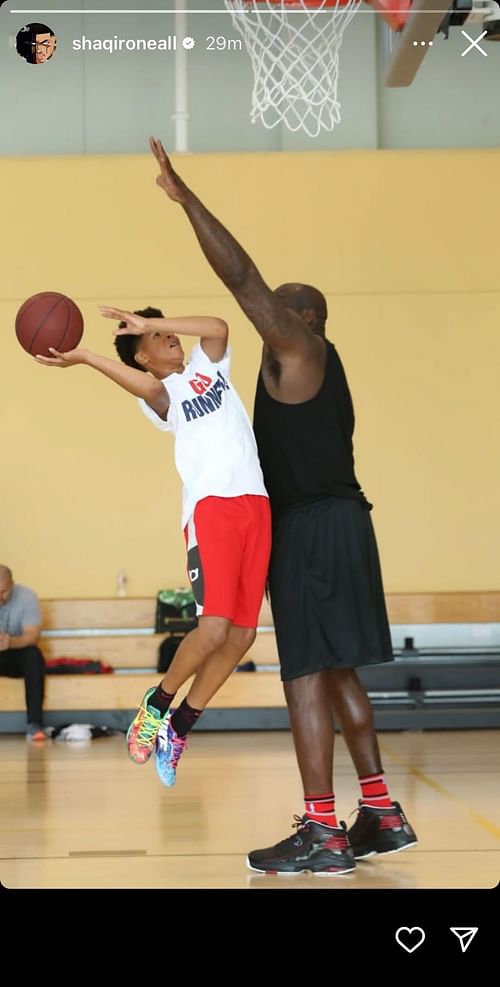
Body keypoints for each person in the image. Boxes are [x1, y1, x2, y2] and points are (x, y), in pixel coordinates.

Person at [147, 137, 418, 875]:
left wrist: (186, 199)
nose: (269, 326)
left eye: (280, 314)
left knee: (303, 675)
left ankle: (323, 830)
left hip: (310, 532)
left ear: (300, 319)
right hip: (346, 525)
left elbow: (242, 280)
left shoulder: (297, 347)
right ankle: (381, 813)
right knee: (339, 674)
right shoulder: (323, 376)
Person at [35, 307, 271, 788]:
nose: (169, 337)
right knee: (213, 630)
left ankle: (179, 727)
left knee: (243, 636)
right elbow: (146, 387)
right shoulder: (161, 395)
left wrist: (152, 325)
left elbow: (220, 327)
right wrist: (84, 356)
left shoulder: (209, 368)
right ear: (141, 357)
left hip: (257, 505)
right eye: (156, 336)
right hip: (212, 509)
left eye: (167, 331)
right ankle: (157, 703)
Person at [0, 565, 46, 740]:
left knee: (34, 656)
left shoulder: (27, 597)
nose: (0, 597)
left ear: (12, 584)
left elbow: (32, 636)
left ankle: (35, 724)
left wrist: (11, 642)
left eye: (4, 592)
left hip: (15, 654)